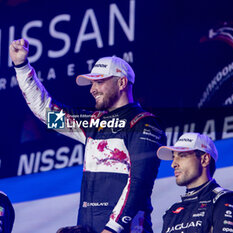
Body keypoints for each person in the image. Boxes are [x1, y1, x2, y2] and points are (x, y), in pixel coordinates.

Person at [10, 38, 166, 233]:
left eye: (99, 82)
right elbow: (45, 111)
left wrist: (113, 227)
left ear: (122, 82)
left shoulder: (144, 123)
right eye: (91, 83)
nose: (92, 89)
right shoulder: (92, 124)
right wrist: (22, 67)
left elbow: (140, 181)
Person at [157, 132, 233, 233]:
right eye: (173, 157)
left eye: (182, 156)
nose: (173, 164)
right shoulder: (171, 212)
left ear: (205, 159)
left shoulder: (225, 199)